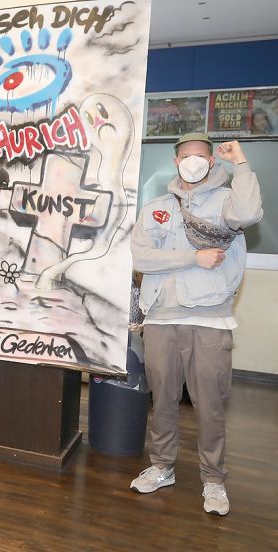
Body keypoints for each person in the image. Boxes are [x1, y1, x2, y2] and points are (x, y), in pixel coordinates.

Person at [129, 133, 263, 516]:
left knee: (210, 406)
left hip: (210, 319)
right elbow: (142, 257)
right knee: (164, 400)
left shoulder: (226, 202)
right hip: (160, 318)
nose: (193, 162)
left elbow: (250, 213)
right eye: (186, 156)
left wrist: (240, 162)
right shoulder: (156, 207)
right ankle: (161, 467)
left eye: (200, 156)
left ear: (211, 161)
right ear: (175, 162)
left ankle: (214, 480)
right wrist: (192, 257)